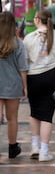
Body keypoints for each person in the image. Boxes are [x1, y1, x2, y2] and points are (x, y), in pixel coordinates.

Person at [23, 9, 55, 162]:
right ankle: (44, 151)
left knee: (34, 112)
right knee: (47, 115)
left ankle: (34, 146)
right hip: (53, 76)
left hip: (33, 77)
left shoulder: (29, 38)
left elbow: (24, 62)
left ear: (37, 20)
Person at [0, 12, 29, 159]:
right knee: (12, 118)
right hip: (13, 84)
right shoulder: (18, 43)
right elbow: (22, 67)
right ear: (13, 25)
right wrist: (25, 87)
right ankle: (12, 147)